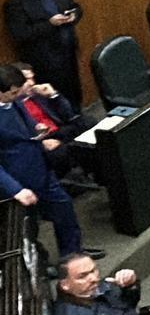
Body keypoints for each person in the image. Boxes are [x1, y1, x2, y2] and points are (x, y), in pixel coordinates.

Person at [0, 65, 96, 259]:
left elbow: (25, 123)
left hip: (40, 170)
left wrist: (37, 129)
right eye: (13, 92)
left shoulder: (15, 100)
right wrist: (15, 189)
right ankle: (39, 267)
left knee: (64, 208)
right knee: (27, 230)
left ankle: (73, 255)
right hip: (17, 182)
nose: (19, 95)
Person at [4, 0, 84, 110]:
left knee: (74, 91)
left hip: (68, 52)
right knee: (56, 99)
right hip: (45, 61)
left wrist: (74, 15)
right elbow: (20, 34)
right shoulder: (15, 4)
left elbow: (76, 7)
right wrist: (50, 24)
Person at [13, 63, 92, 184]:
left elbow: (69, 114)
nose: (32, 83)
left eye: (32, 78)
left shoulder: (39, 94)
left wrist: (54, 95)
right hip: (41, 139)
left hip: (59, 130)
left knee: (89, 123)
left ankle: (96, 169)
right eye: (26, 80)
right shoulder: (11, 107)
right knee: (60, 151)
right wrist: (40, 143)